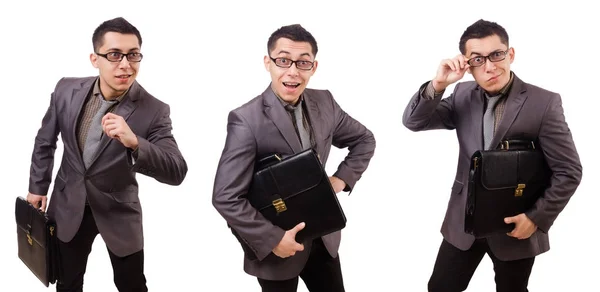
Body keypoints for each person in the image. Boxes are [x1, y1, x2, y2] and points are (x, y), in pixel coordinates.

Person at [402, 19, 582, 292]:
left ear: (510, 54)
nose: (489, 66)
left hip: (515, 224)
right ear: (467, 64)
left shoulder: (544, 103)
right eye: (478, 59)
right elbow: (414, 122)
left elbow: (569, 171)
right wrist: (438, 85)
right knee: (440, 287)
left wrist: (535, 217)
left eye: (496, 55)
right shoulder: (462, 94)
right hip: (463, 221)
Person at [26, 17, 188, 292]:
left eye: (133, 55)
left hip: (119, 210)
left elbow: (176, 171)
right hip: (68, 205)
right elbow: (45, 140)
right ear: (95, 58)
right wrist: (37, 187)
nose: (126, 64)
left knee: (132, 285)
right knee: (67, 282)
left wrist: (134, 141)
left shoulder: (154, 110)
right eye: (114, 55)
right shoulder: (66, 90)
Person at [212, 24, 376, 292]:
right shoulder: (245, 120)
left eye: (303, 63)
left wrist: (340, 180)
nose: (293, 71)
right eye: (283, 60)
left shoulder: (325, 102)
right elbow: (225, 196)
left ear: (314, 67)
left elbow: (364, 140)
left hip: (324, 237)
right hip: (277, 245)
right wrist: (274, 239)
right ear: (268, 63)